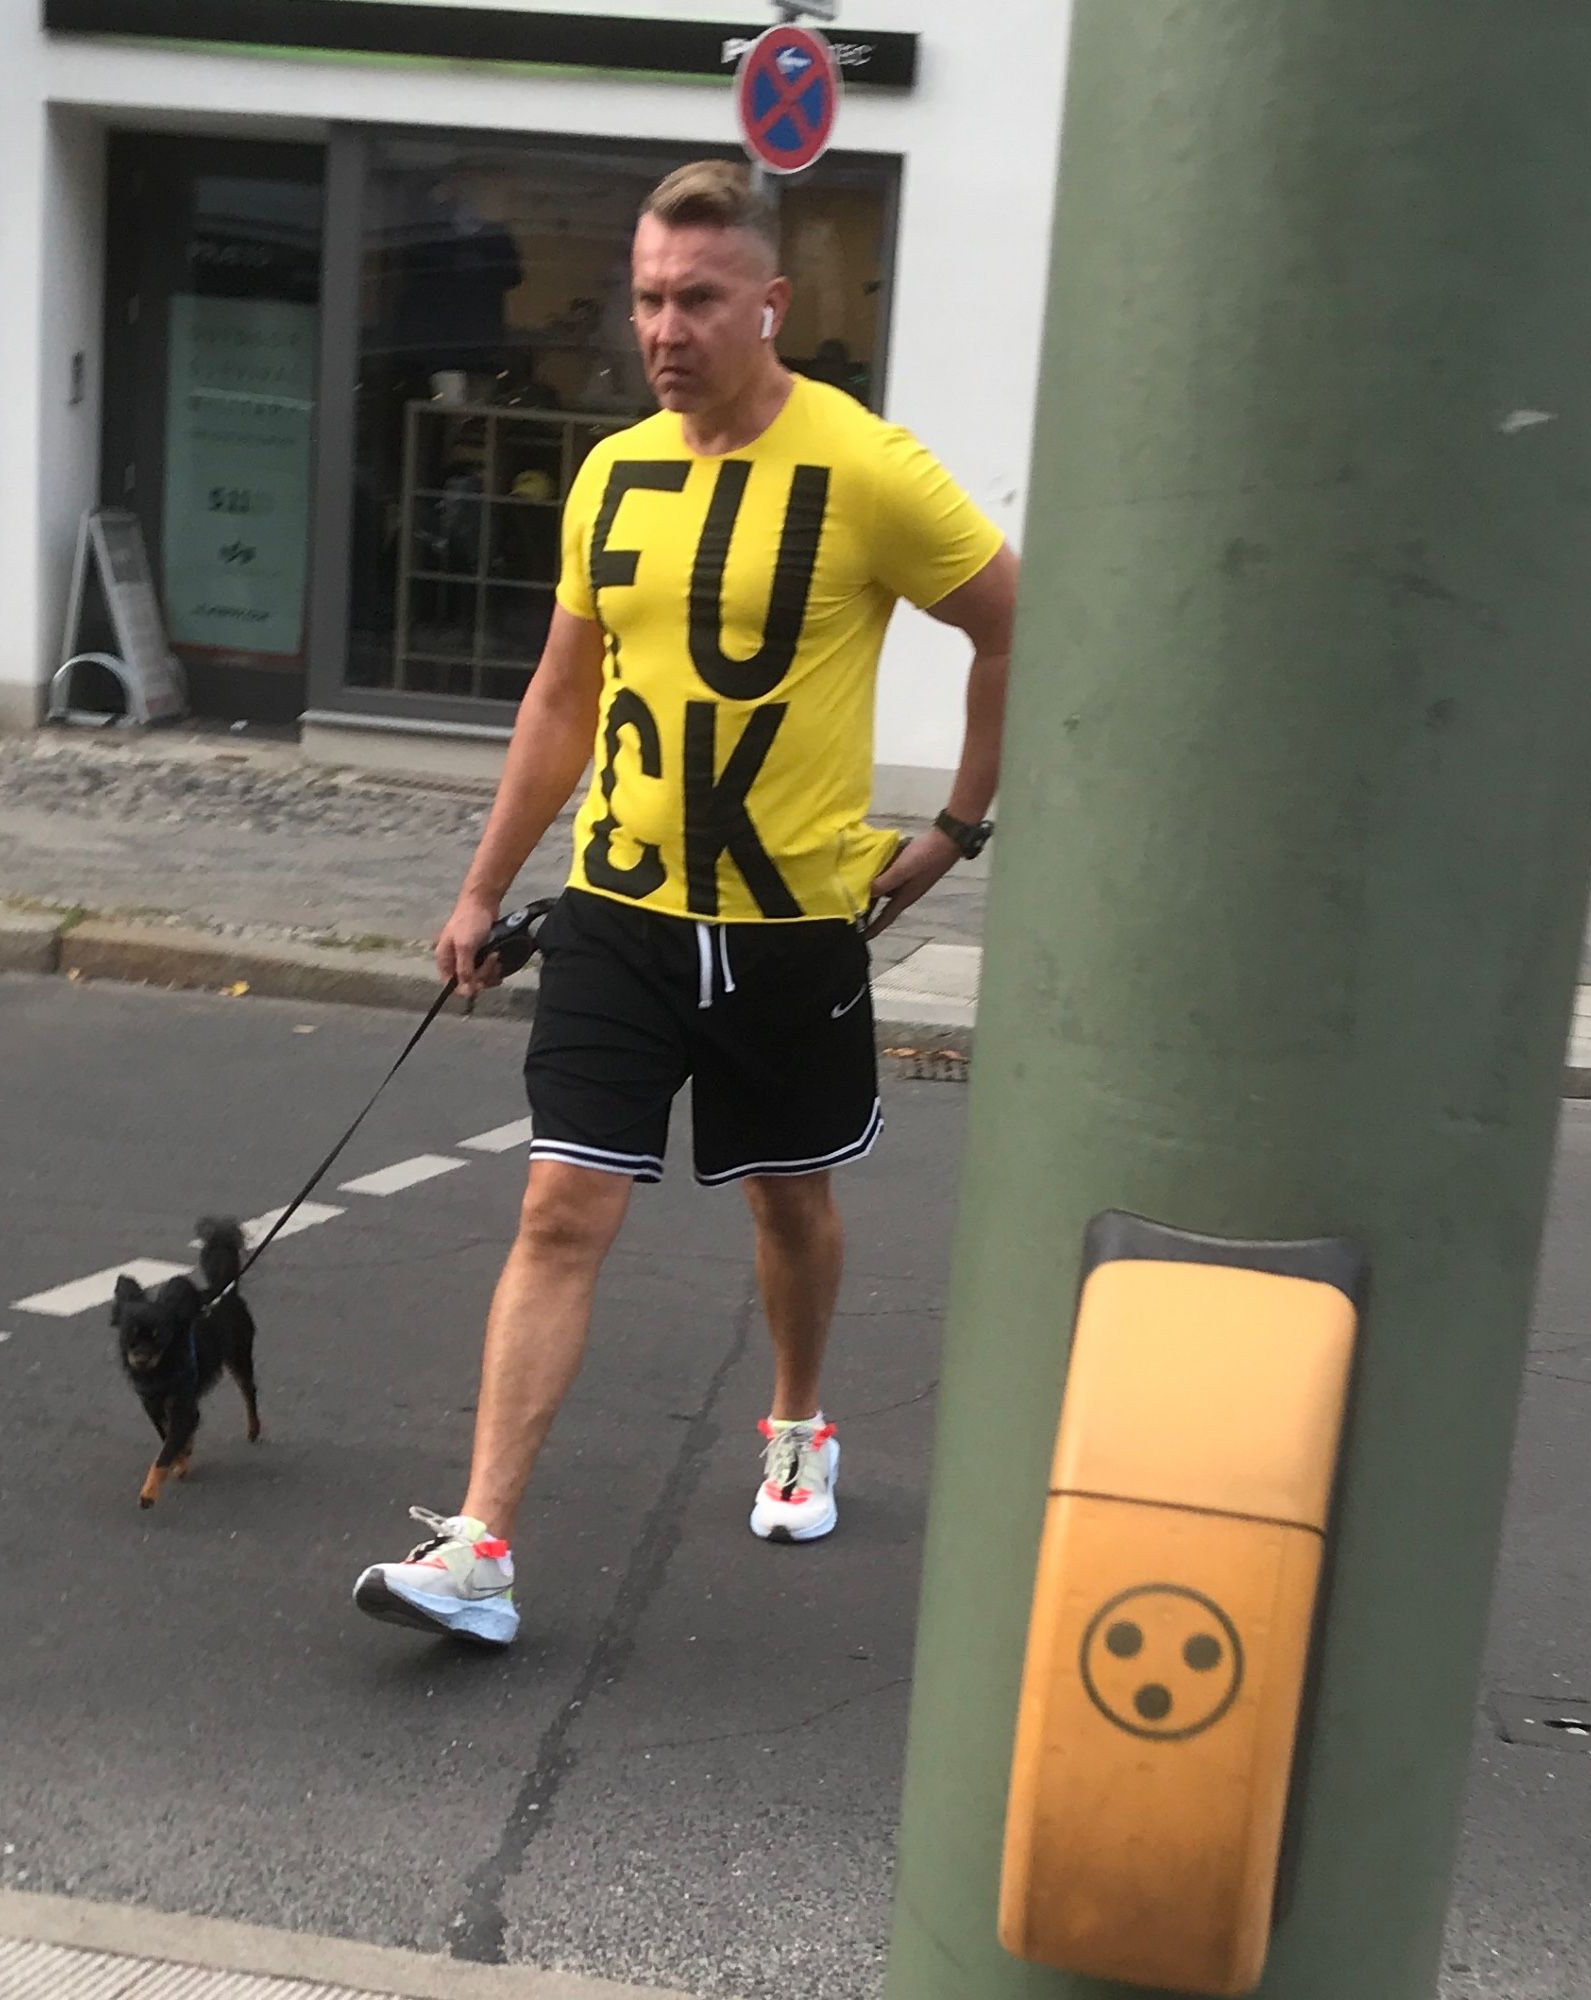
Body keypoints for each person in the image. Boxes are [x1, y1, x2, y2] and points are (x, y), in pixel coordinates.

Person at [353, 160, 1020, 1648]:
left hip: (791, 930)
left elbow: (1005, 621)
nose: (664, 327)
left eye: (697, 299)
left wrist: (960, 826)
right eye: (647, 297)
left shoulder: (864, 467)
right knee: (559, 1206)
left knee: (790, 1201)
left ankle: (796, 1422)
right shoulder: (610, 475)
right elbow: (559, 696)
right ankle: (482, 1549)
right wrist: (481, 886)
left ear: (771, 302)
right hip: (622, 914)